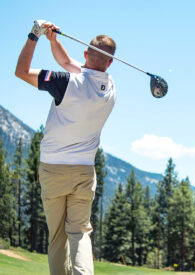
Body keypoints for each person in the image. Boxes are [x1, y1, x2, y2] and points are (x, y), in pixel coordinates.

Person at [15, 20, 117, 275]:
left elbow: (21, 71)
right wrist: (53, 41)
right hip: (84, 172)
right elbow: (69, 64)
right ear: (110, 63)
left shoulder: (64, 82)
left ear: (85, 53)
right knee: (79, 232)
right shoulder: (110, 88)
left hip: (53, 169)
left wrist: (33, 36)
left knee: (58, 236)